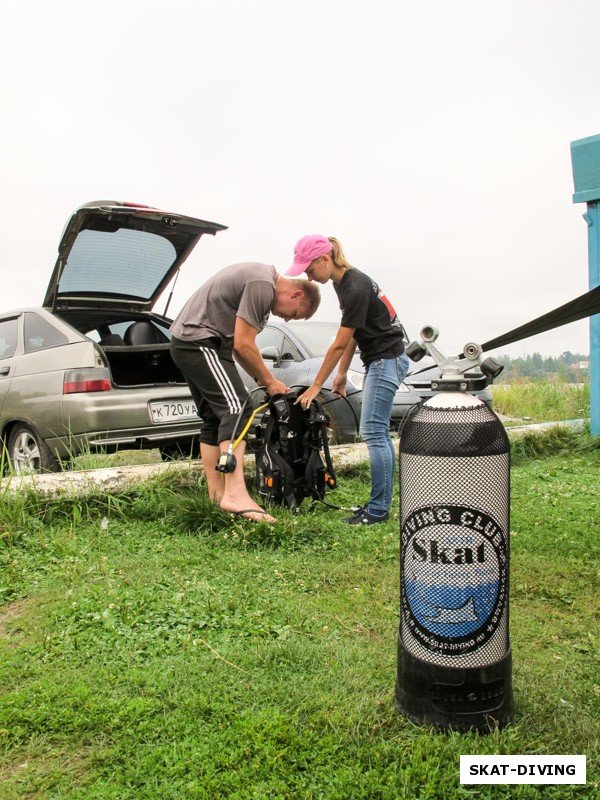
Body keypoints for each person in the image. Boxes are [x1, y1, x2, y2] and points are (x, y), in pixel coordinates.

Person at [170, 262, 321, 523]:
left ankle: (217, 495)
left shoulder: (261, 284)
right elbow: (243, 343)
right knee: (239, 409)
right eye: (294, 314)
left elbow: (241, 348)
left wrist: (264, 380)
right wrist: (270, 381)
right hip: (201, 341)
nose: (286, 319)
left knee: (215, 417)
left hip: (192, 342)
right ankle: (236, 494)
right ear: (296, 294)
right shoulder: (262, 283)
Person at [287, 235, 409, 525]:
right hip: (384, 359)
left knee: (374, 433)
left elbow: (339, 343)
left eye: (309, 269)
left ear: (324, 259)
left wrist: (317, 385)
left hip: (386, 360)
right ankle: (378, 505)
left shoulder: (354, 287)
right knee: (377, 433)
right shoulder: (345, 283)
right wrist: (341, 374)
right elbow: (354, 333)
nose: (309, 276)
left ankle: (378, 510)